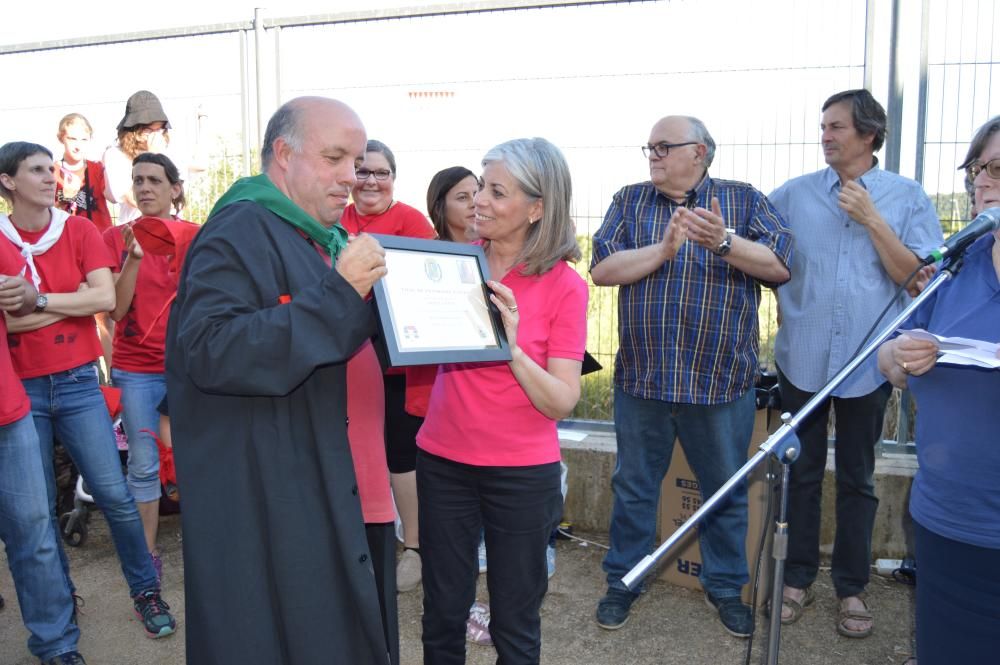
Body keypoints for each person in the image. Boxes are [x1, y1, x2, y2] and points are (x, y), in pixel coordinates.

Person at [165, 96, 391, 665]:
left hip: (347, 479)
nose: (352, 177)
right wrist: (338, 296)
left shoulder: (320, 237)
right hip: (286, 495)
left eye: (358, 161)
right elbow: (210, 350)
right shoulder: (238, 230)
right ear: (284, 154)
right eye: (336, 158)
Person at [591, 116, 792, 636]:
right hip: (644, 380)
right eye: (649, 147)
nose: (652, 155)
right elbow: (602, 269)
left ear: (698, 152)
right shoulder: (629, 201)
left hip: (719, 381)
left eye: (663, 146)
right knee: (634, 486)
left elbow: (780, 264)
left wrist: (724, 241)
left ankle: (726, 586)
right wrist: (663, 251)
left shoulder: (743, 200)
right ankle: (625, 578)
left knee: (724, 489)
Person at [768, 89, 944, 638]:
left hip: (871, 364)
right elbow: (757, 247)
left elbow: (919, 280)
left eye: (837, 127)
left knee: (858, 480)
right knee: (799, 475)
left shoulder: (907, 197)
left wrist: (872, 219)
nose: (825, 136)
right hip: (802, 359)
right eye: (823, 126)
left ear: (868, 135)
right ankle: (795, 578)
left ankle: (851, 588)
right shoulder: (791, 196)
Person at [416, 137, 588, 665]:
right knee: (442, 613)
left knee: (515, 622)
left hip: (520, 474)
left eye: (496, 191)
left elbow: (561, 400)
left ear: (537, 208)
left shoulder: (565, 287)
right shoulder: (453, 264)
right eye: (478, 189)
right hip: (443, 461)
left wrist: (508, 347)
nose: (478, 202)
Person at [0, 141, 175, 639]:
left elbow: (103, 298)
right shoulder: (2, 237)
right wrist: (65, 303)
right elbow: (13, 317)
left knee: (115, 496)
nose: (49, 177)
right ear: (9, 181)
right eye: (36, 170)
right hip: (20, 389)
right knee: (37, 514)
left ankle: (145, 590)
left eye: (51, 169)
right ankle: (59, 601)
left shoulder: (76, 228)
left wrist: (37, 303)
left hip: (78, 381)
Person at [876, 116, 1000, 665]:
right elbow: (885, 356)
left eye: (997, 169)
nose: (984, 184)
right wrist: (901, 358)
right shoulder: (958, 263)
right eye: (978, 170)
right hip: (951, 522)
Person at [342, 139, 437, 593]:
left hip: (396, 359)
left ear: (393, 178)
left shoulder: (411, 222)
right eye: (361, 171)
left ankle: (413, 547)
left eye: (380, 172)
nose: (370, 181)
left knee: (401, 454)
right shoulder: (335, 220)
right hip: (344, 356)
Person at [104, 152, 199, 582]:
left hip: (189, 369)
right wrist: (133, 259)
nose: (144, 188)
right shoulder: (116, 238)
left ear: (174, 188)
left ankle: (210, 549)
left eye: (155, 180)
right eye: (138, 180)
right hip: (137, 369)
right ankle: (146, 557)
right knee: (143, 463)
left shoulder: (197, 236)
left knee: (193, 460)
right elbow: (116, 309)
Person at [1, 240, 86, 664]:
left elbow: (26, 299)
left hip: (7, 410)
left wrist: (27, 297)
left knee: (33, 530)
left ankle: (57, 644)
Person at [104, 90, 171, 225]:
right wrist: (152, 157)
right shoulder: (116, 155)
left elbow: (178, 197)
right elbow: (133, 198)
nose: (155, 136)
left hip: (169, 228)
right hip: (135, 230)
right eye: (148, 131)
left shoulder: (167, 151)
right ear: (132, 131)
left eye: (159, 130)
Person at [54, 113, 113, 233]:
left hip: (100, 238)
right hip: (66, 239)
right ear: (61, 138)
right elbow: (43, 216)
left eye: (84, 140)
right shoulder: (50, 172)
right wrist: (64, 199)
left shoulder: (98, 168)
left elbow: (114, 197)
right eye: (72, 139)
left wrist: (111, 163)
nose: (78, 146)